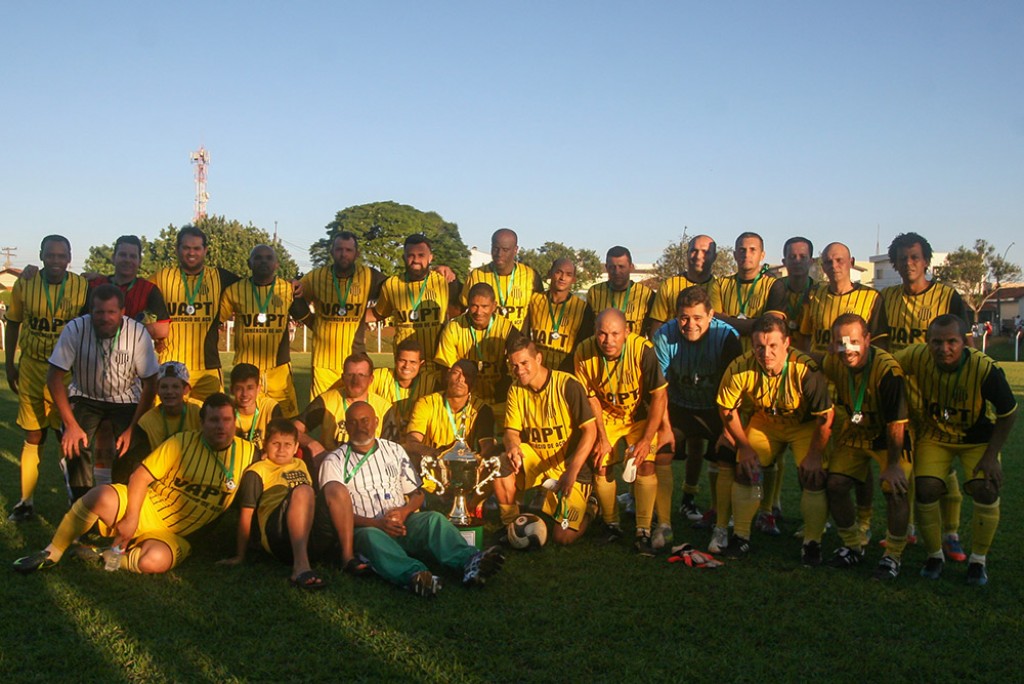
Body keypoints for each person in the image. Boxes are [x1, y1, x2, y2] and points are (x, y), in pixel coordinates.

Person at [13, 393, 258, 575]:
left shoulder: (249, 454)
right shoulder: (182, 442)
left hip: (175, 535)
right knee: (99, 496)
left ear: (234, 421)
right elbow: (140, 476)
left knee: (153, 562)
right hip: (147, 508)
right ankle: (52, 553)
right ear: (201, 422)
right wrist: (131, 519)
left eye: (226, 420)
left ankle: (107, 555)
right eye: (213, 420)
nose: (221, 426)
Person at [318, 401, 505, 597]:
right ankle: (415, 575)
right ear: (346, 427)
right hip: (366, 528)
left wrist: (404, 511)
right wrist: (377, 524)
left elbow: (417, 494)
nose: (360, 427)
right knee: (370, 537)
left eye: (365, 421)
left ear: (376, 422)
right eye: (353, 422)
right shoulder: (334, 461)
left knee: (434, 519)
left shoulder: (394, 450)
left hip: (403, 522)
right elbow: (334, 513)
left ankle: (470, 562)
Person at [897, 315, 1017, 585]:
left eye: (952, 341)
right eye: (936, 342)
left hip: (976, 440)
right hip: (935, 436)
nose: (944, 348)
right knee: (926, 487)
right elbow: (886, 364)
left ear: (965, 342)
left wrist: (991, 457)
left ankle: (978, 561)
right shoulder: (917, 356)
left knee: (986, 488)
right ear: (927, 343)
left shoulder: (984, 368)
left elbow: (1008, 414)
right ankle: (934, 555)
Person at [717, 315, 833, 564]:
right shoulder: (739, 367)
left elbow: (825, 418)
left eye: (773, 346)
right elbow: (727, 410)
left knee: (814, 475)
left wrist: (814, 456)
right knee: (746, 468)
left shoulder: (805, 369)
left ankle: (813, 542)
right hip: (766, 422)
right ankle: (741, 536)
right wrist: (745, 447)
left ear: (787, 344)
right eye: (759, 346)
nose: (765, 353)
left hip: (803, 425)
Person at [882, 231, 970, 560]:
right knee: (906, 462)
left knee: (941, 466)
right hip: (902, 394)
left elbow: (965, 344)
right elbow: (882, 346)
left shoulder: (948, 296)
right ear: (895, 262)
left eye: (915, 257)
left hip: (938, 391)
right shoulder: (886, 297)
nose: (909, 263)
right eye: (903, 258)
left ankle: (951, 533)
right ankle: (909, 531)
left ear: (927, 260)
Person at [47, 284, 160, 501]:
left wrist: (133, 428)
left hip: (126, 396)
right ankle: (81, 509)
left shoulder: (137, 333)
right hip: (85, 395)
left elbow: (150, 383)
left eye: (111, 312)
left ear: (123, 312)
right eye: (99, 312)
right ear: (91, 311)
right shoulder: (75, 329)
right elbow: (54, 378)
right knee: (75, 446)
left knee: (134, 445)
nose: (105, 318)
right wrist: (70, 425)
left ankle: (119, 501)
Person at [5, 235, 90, 521]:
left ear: (69, 257)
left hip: (66, 372)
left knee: (66, 435)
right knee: (33, 435)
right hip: (31, 368)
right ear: (41, 256)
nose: (56, 261)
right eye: (50, 255)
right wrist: (9, 364)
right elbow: (14, 322)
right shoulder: (25, 282)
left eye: (61, 256)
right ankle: (25, 502)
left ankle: (74, 501)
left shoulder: (81, 286)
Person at [823, 314, 912, 580]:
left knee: (895, 489)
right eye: (840, 342)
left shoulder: (888, 370)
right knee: (835, 484)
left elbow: (897, 423)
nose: (847, 348)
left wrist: (894, 465)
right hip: (857, 432)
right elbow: (814, 361)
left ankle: (893, 555)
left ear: (868, 340)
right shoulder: (834, 362)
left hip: (890, 437)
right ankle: (852, 545)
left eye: (853, 341)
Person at [574, 308, 669, 554]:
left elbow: (659, 396)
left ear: (627, 331)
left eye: (615, 333)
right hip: (606, 414)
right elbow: (591, 398)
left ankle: (643, 530)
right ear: (595, 332)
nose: (608, 340)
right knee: (601, 461)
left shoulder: (643, 349)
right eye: (602, 334)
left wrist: (647, 439)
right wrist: (602, 439)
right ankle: (611, 524)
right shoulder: (583, 351)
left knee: (645, 463)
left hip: (639, 415)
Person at [652, 286, 742, 532]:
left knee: (727, 453)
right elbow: (659, 388)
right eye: (684, 317)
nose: (690, 324)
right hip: (679, 405)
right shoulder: (663, 336)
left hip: (717, 407)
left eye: (698, 318)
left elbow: (734, 389)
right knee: (661, 449)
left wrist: (728, 429)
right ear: (676, 315)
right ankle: (663, 522)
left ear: (711, 315)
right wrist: (665, 428)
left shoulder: (727, 337)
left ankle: (720, 521)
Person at [494, 337, 598, 545]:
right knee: (502, 461)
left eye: (524, 363)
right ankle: (512, 524)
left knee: (563, 537)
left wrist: (573, 470)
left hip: (571, 468)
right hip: (538, 461)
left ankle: (591, 507)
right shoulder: (515, 389)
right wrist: (513, 447)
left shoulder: (567, 384)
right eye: (514, 365)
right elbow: (510, 432)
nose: (519, 370)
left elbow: (590, 431)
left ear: (539, 358)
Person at [218, 418, 331, 589]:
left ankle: (347, 556)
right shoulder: (257, 471)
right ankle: (300, 567)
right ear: (265, 445)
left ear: (295, 448)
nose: (281, 449)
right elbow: (246, 514)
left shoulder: (300, 464)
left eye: (287, 444)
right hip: (278, 538)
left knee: (335, 489)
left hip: (309, 534)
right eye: (275, 443)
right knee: (304, 490)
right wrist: (240, 555)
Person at [758, 236, 816, 531]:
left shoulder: (818, 293)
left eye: (802, 255)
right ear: (783, 259)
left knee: (813, 453)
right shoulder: (776, 289)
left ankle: (817, 520)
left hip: (808, 371)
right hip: (769, 368)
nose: (796, 260)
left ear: (810, 260)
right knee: (771, 440)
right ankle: (770, 504)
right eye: (791, 256)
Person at [149, 226, 240, 401]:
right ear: (177, 249)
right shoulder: (162, 277)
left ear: (205, 250)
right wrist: (101, 279)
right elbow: (133, 292)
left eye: (197, 248)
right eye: (186, 248)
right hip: (170, 369)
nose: (192, 253)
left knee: (213, 423)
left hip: (208, 369)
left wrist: (290, 284)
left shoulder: (220, 277)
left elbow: (255, 286)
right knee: (166, 424)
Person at [220, 244, 310, 418]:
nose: (263, 261)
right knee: (245, 424)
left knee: (287, 423)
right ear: (249, 263)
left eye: (269, 258)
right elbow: (215, 322)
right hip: (246, 372)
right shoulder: (234, 291)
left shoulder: (288, 290)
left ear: (276, 264)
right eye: (258, 258)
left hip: (279, 371)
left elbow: (308, 319)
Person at [299, 231, 387, 399]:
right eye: (339, 249)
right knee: (324, 416)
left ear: (357, 254)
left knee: (356, 414)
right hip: (323, 364)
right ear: (332, 252)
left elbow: (396, 290)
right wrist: (312, 322)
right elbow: (295, 297)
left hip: (356, 363)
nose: (343, 254)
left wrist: (375, 314)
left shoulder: (369, 276)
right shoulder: (316, 277)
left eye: (348, 250)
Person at [435, 282, 521, 428]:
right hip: (467, 403)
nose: (478, 312)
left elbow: (522, 355)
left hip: (499, 400)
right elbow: (447, 372)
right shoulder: (453, 328)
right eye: (474, 306)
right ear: (468, 304)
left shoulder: (506, 327)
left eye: (485, 307)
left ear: (494, 306)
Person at [404, 360, 497, 493]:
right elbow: (412, 442)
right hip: (432, 466)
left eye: (467, 376)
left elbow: (487, 447)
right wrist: (437, 454)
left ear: (474, 382)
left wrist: (475, 461)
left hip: (465, 469)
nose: (460, 379)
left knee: (495, 460)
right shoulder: (426, 403)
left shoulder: (482, 409)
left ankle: (474, 501)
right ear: (448, 376)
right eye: (456, 373)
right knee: (408, 456)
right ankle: (416, 498)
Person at [371, 234, 462, 369]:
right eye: (411, 255)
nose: (416, 260)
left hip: (437, 366)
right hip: (405, 367)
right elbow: (378, 314)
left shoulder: (443, 281)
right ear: (403, 257)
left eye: (421, 255)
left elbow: (461, 310)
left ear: (430, 258)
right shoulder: (392, 284)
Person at [801, 242, 888, 361]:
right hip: (820, 369)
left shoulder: (872, 297)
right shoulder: (813, 295)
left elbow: (879, 343)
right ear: (823, 268)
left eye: (839, 260)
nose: (834, 266)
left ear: (851, 262)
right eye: (828, 262)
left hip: (854, 372)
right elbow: (805, 336)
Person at [119, 362, 202, 482]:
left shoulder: (199, 413)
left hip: (194, 474)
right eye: (164, 387)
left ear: (186, 389)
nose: (169, 391)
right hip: (159, 478)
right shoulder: (147, 422)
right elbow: (138, 461)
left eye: (175, 387)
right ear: (157, 390)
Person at [294, 353, 392, 453]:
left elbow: (390, 448)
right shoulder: (327, 400)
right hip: (332, 462)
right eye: (350, 375)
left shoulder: (383, 407)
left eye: (361, 375)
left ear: (371, 379)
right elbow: (294, 429)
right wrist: (312, 445)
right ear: (343, 377)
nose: (355, 381)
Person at [460, 228, 543, 330]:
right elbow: (462, 308)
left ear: (515, 250)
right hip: (483, 343)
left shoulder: (531, 276)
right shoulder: (476, 275)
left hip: (516, 343)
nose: (499, 254)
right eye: (495, 248)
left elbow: (539, 313)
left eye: (505, 250)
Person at [521, 258, 593, 372]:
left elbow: (584, 346)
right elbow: (524, 335)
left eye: (568, 274)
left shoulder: (582, 308)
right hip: (537, 370)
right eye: (558, 272)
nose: (562, 278)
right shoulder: (534, 300)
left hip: (566, 372)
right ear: (550, 273)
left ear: (574, 279)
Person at [710, 232, 780, 349]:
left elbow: (772, 326)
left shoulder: (774, 285)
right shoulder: (720, 284)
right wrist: (757, 322)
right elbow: (713, 322)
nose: (747, 254)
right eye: (742, 250)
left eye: (752, 250)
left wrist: (727, 320)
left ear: (762, 255)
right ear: (735, 255)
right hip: (726, 354)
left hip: (760, 357)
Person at [648, 234, 718, 336]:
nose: (698, 256)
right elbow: (657, 327)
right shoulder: (669, 285)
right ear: (687, 253)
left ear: (715, 257)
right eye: (694, 251)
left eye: (705, 252)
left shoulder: (719, 287)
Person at [370, 338, 437, 441]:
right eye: (402, 360)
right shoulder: (379, 376)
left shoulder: (430, 382)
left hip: (416, 444)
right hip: (383, 441)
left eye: (413, 362)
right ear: (395, 360)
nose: (407, 366)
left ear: (421, 363)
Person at [587, 246, 654, 335]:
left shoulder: (646, 295)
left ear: (631, 267)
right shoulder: (595, 293)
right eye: (612, 267)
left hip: (634, 348)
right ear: (606, 268)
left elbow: (652, 332)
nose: (617, 271)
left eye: (621, 267)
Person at [230, 363, 284, 450]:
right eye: (239, 388)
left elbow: (281, 441)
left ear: (258, 389)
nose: (245, 394)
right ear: (231, 390)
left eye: (250, 388)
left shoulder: (270, 408)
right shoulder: (226, 412)